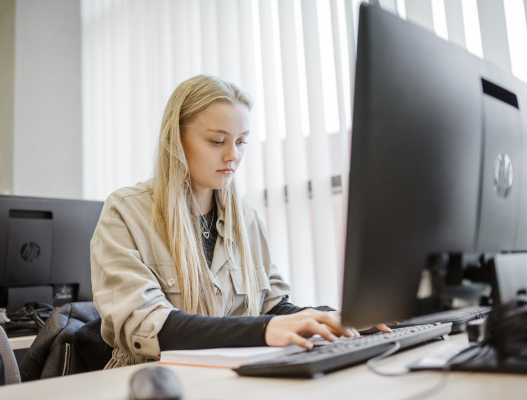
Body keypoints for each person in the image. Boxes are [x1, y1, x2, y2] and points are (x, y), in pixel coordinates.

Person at [91, 74, 389, 368]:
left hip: (230, 377)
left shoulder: (246, 219)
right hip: (150, 379)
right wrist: (262, 331)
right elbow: (146, 325)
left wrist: (334, 319)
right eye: (217, 141)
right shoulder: (125, 212)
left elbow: (272, 307)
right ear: (176, 140)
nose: (233, 155)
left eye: (241, 141)